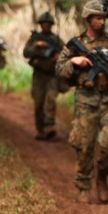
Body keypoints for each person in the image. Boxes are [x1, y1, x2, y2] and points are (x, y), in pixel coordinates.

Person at [56, 0, 108, 204]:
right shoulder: (76, 44)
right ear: (89, 19)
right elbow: (59, 69)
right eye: (98, 18)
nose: (102, 21)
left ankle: (102, 176)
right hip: (86, 98)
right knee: (84, 143)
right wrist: (74, 62)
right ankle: (83, 185)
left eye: (103, 18)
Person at [23, 11, 64, 141]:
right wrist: (37, 46)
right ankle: (40, 129)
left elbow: (66, 53)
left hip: (52, 75)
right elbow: (26, 53)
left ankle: (50, 127)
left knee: (51, 100)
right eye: (44, 24)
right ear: (40, 25)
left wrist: (59, 56)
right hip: (39, 75)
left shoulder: (56, 40)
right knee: (39, 102)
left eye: (48, 24)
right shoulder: (35, 39)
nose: (46, 26)